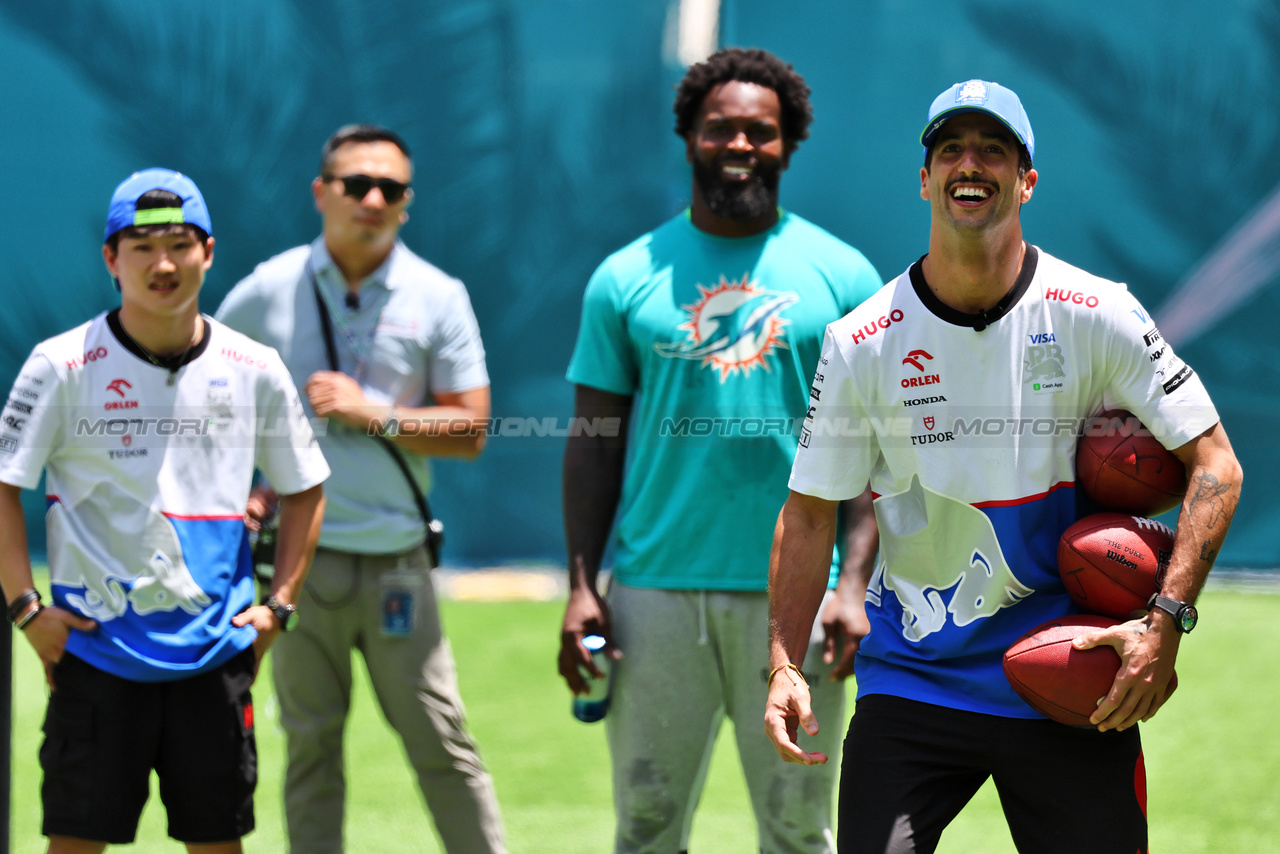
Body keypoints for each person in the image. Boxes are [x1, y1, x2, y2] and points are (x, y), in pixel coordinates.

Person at [764, 79, 1243, 854]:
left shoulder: (1098, 312)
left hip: (1075, 670)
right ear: (924, 179)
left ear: (1027, 179)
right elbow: (810, 510)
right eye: (950, 148)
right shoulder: (861, 340)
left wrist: (1165, 622)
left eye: (994, 149)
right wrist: (785, 663)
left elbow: (1216, 464)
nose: (970, 164)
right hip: (914, 681)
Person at [558, 48, 883, 854]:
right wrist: (579, 586)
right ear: (690, 137)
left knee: (800, 830)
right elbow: (594, 445)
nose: (740, 145)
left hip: (803, 598)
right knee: (647, 823)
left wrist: (858, 586)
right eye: (720, 129)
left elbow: (876, 453)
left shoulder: (844, 276)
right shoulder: (625, 277)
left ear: (789, 142)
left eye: (760, 132)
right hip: (656, 593)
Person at [0, 168, 329, 853]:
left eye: (179, 243)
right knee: (74, 844)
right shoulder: (59, 365)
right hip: (95, 655)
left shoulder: (254, 366)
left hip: (215, 660)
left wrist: (281, 606)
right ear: (110, 259)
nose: (163, 263)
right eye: (141, 246)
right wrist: (26, 610)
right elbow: (4, 484)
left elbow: (304, 488)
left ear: (208, 252)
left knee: (218, 844)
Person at [216, 125, 502, 854]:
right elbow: (210, 406)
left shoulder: (439, 296)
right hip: (296, 568)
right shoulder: (265, 291)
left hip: (396, 561)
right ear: (322, 193)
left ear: (407, 203)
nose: (373, 199)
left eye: (392, 189)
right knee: (310, 750)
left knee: (441, 741)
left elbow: (471, 430)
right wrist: (249, 482)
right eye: (355, 185)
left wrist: (372, 413)